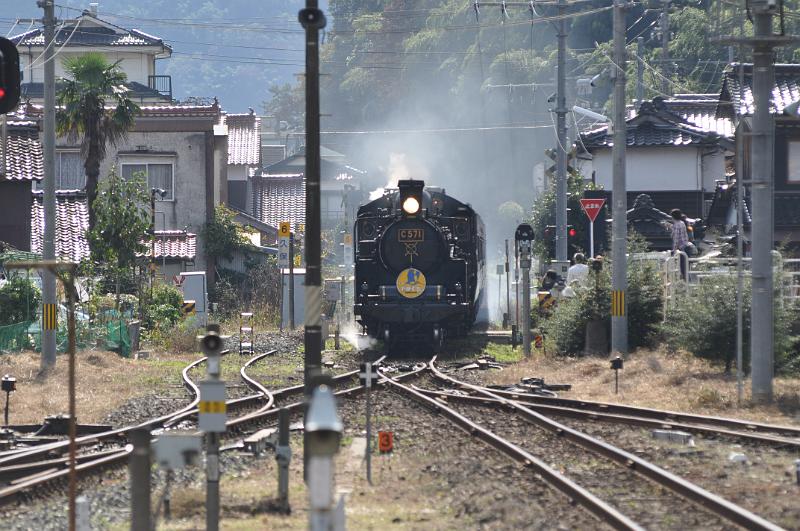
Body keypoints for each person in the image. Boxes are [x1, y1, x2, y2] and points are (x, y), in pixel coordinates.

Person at [668, 209, 689, 278]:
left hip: (680, 247)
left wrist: (674, 250)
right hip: (685, 245)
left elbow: (676, 239)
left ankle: (685, 279)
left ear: (673, 216)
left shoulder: (677, 224)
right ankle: (687, 278)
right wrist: (669, 226)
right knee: (685, 264)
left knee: (682, 265)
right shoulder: (682, 223)